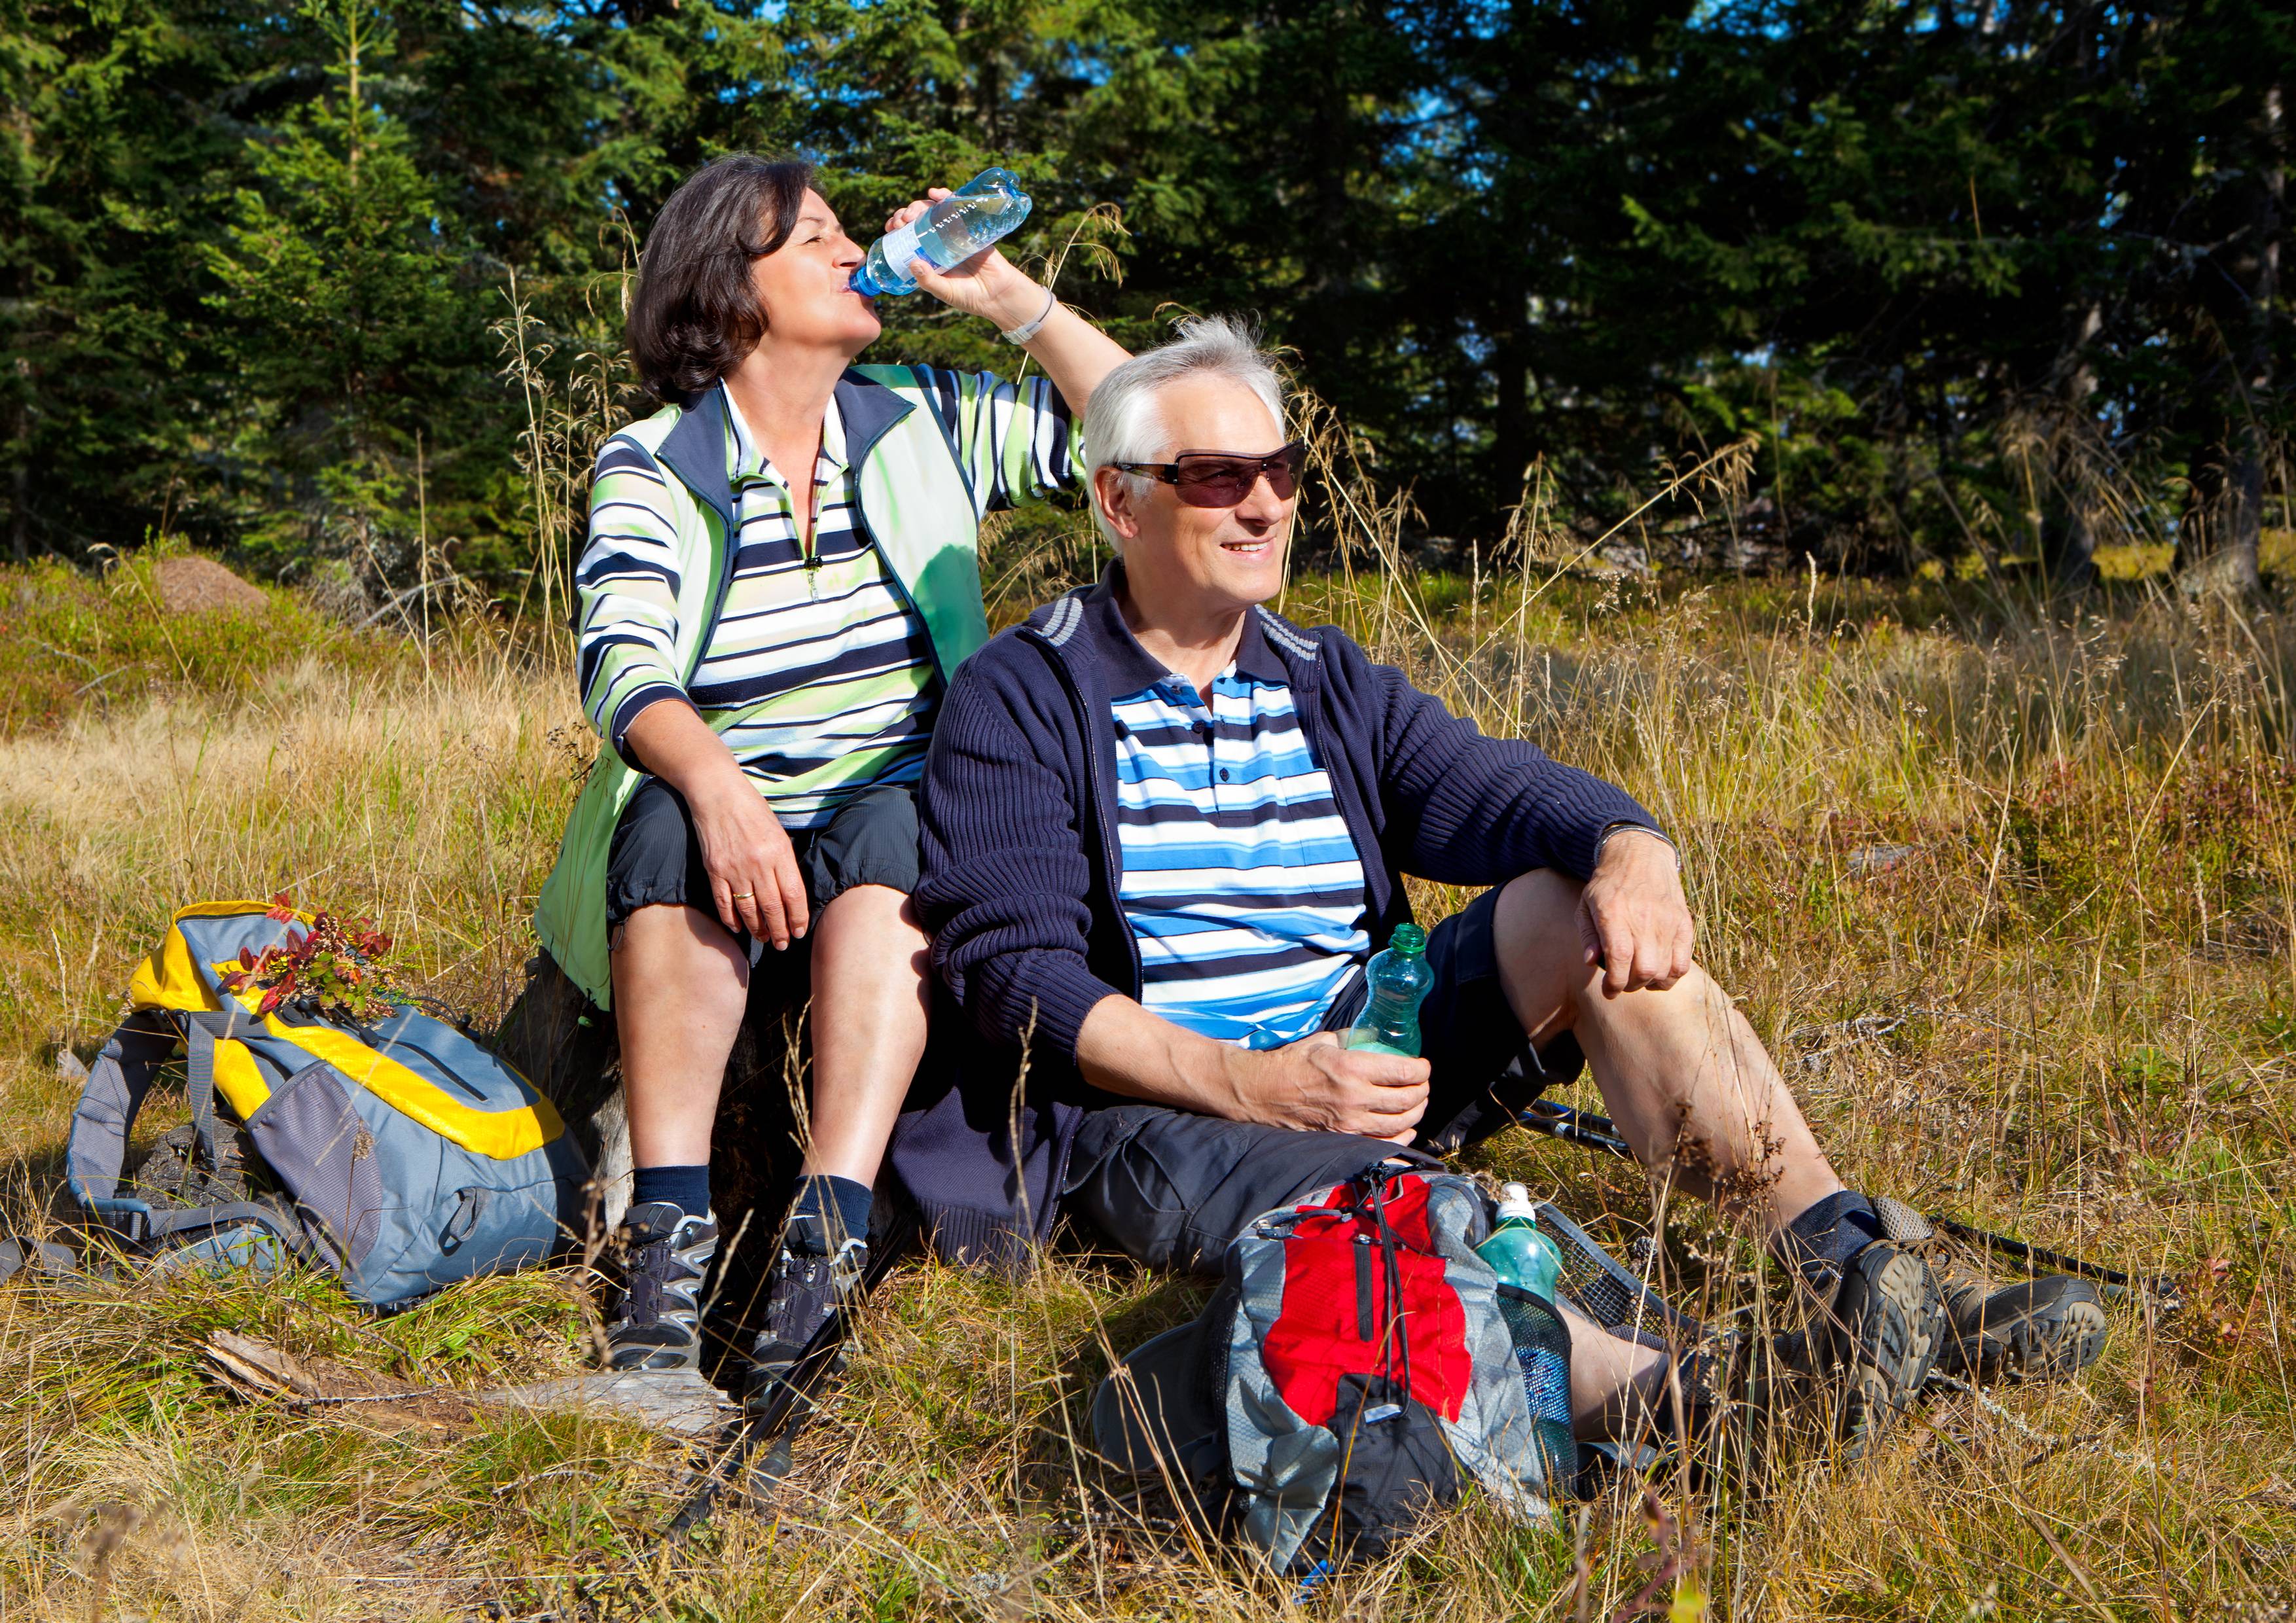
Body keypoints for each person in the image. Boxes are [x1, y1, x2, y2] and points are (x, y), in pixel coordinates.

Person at [893, 315, 2107, 1459]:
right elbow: (1017, 977)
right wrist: (1256, 1083)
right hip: (1166, 1112)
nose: (1263, 501)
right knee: (1385, 1209)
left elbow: (1505, 792)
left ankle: (1851, 1275)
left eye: (1283, 468)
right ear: (1121, 501)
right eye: (1214, 476)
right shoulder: (1026, 690)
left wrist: (1635, 849)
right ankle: (1690, 1401)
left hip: (1367, 1061)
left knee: (1576, 905)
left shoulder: (1326, 678)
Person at [530, 154, 1128, 1408]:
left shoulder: (918, 418)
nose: (857, 255)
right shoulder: (652, 460)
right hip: (725, 798)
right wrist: (719, 786)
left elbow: (1143, 428)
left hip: (887, 807)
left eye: (851, 235)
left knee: (900, 825)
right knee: (666, 830)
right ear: (725, 290)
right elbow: (620, 658)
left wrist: (1007, 295)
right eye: (815, 239)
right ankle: (662, 1282)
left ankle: (825, 1245)